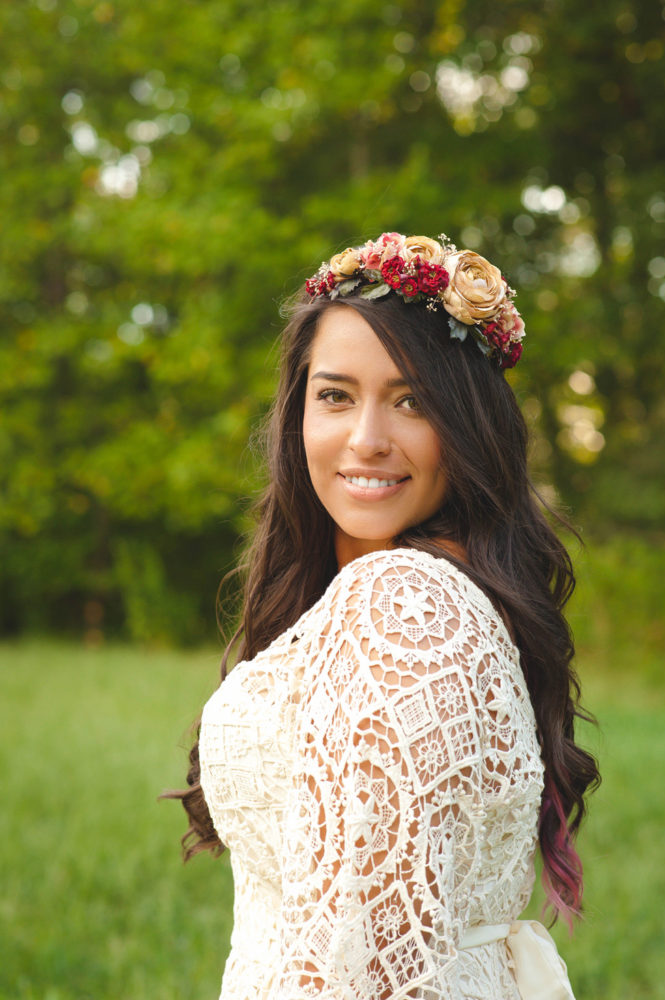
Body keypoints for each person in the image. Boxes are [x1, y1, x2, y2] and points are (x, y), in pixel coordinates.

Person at [171, 232, 599, 1000]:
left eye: (412, 401)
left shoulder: (403, 606)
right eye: (334, 395)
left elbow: (364, 968)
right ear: (297, 412)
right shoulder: (398, 591)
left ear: (468, 426)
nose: (366, 440)